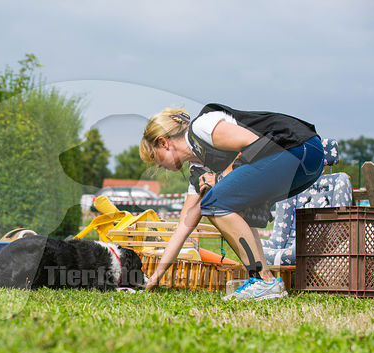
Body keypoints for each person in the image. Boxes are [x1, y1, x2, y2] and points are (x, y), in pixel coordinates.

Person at [139, 103, 325, 301]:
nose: (157, 165)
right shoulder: (198, 171)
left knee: (213, 202)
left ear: (164, 143)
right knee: (226, 203)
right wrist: (155, 277)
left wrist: (220, 178)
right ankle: (264, 281)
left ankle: (265, 282)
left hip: (300, 148)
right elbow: (183, 228)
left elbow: (257, 144)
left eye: (154, 157)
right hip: (304, 164)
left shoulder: (203, 126)